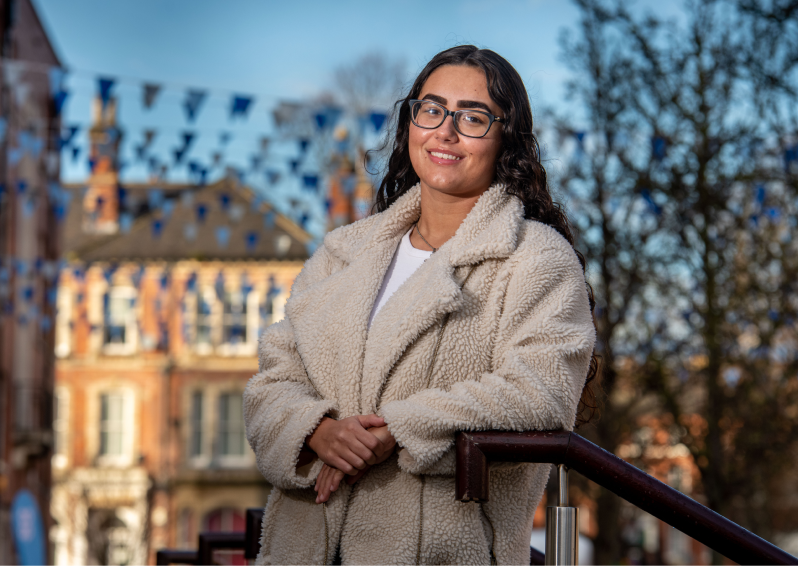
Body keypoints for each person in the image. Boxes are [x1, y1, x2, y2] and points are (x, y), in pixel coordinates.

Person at [243, 45, 597, 566]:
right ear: (410, 121)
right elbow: (272, 380)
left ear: (507, 140)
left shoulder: (536, 259)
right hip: (304, 547)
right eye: (431, 110)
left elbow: (540, 392)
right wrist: (317, 431)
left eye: (473, 118)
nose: (445, 132)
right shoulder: (345, 251)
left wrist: (398, 429)